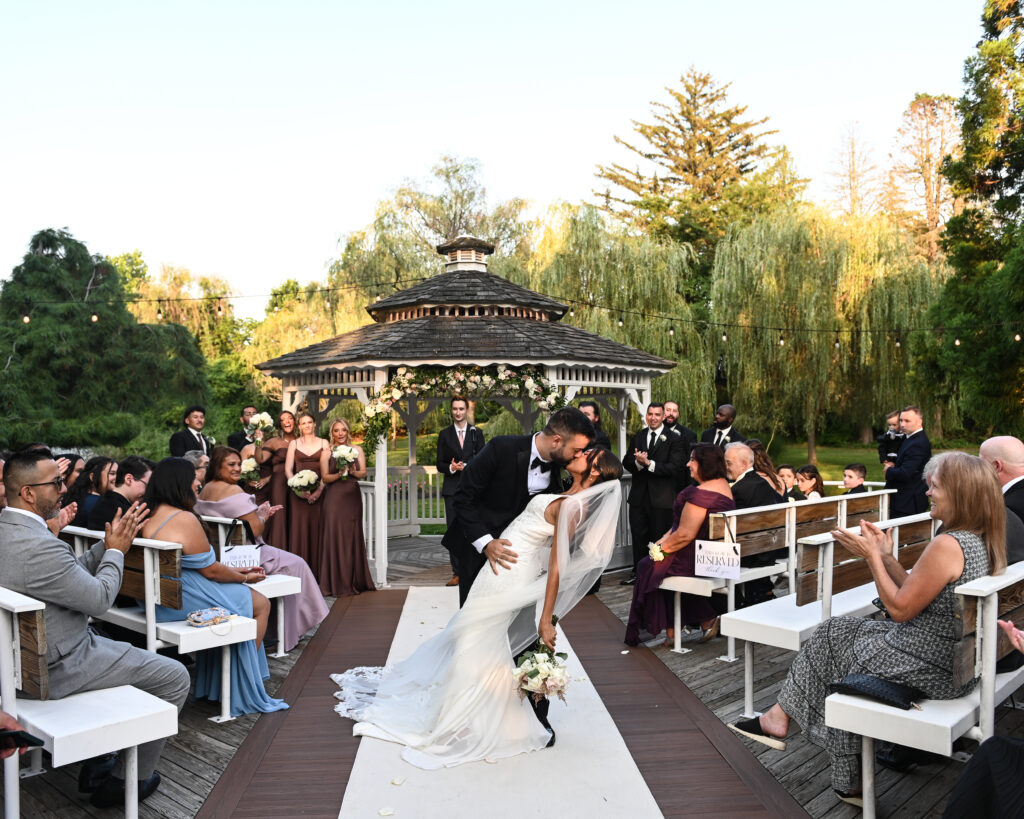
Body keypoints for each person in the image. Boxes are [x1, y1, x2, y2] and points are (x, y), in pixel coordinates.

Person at [728, 452, 1007, 806]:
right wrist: (888, 556)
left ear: (960, 493)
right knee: (838, 632)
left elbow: (901, 609)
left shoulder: (948, 544)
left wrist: (871, 556)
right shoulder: (978, 539)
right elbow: (919, 593)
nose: (928, 493)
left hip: (929, 665)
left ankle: (793, 732)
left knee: (835, 644)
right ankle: (788, 727)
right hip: (949, 659)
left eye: (935, 487)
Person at [332, 448, 623, 769]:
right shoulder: (567, 494)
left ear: (594, 471)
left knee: (476, 637)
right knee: (473, 634)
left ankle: (461, 718)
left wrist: (545, 619)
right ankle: (463, 710)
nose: (578, 453)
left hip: (512, 576)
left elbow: (557, 565)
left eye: (587, 454)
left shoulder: (574, 507)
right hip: (500, 569)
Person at [0, 451, 190, 808]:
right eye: (55, 483)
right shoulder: (39, 546)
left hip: (20, 666)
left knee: (122, 649)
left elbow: (66, 576)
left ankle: (103, 756)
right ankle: (126, 781)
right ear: (27, 493)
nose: (63, 489)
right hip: (59, 665)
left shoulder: (10, 533)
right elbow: (100, 598)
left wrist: (106, 543)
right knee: (175, 676)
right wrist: (117, 552)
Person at [141, 458, 289, 716]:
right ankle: (241, 680)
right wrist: (243, 578)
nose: (198, 482)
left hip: (160, 597)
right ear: (179, 483)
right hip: (179, 599)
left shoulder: (149, 512)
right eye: (193, 478)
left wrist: (233, 571)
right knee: (261, 603)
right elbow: (210, 570)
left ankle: (220, 683)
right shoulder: (183, 517)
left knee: (243, 596)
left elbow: (201, 566)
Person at [441, 406, 594, 607]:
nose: (578, 455)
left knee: (522, 625)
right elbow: (462, 497)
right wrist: (486, 543)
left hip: (523, 560)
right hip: (476, 550)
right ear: (556, 441)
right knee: (474, 618)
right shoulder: (500, 448)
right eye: (576, 450)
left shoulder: (563, 466)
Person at [195, 446, 329, 650]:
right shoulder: (234, 491)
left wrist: (255, 513)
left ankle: (275, 629)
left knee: (291, 562)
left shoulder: (205, 490)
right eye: (231, 464)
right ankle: (289, 632)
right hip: (245, 555)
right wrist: (262, 516)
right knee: (297, 564)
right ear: (217, 466)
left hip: (220, 552)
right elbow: (255, 529)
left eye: (239, 464)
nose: (237, 468)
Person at [624, 443, 735, 645]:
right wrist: (664, 540)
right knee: (659, 568)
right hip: (711, 551)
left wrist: (658, 551)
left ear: (705, 464)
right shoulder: (723, 485)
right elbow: (680, 528)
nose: (688, 464)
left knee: (648, 567)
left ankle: (674, 628)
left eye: (692, 459)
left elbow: (684, 534)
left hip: (698, 556)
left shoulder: (701, 494)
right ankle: (700, 620)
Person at [621, 403, 686, 585]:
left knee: (659, 538)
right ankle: (638, 573)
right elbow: (627, 461)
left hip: (662, 498)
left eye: (657, 414)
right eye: (650, 414)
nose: (653, 418)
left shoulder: (675, 439)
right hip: (639, 497)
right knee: (639, 536)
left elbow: (675, 468)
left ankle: (659, 573)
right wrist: (639, 463)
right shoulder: (639, 436)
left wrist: (649, 464)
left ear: (663, 416)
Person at [319, 419, 376, 596]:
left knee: (352, 536)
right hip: (334, 499)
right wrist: (339, 474)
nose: (340, 433)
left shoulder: (357, 450)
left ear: (348, 431)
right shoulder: (326, 452)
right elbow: (325, 478)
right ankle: (335, 582)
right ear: (332, 433)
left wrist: (351, 472)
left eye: (343, 430)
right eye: (336, 430)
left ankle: (354, 580)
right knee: (335, 536)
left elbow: (363, 473)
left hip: (352, 498)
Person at [435, 397, 486, 586]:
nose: (458, 412)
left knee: (473, 527)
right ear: (452, 411)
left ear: (466, 410)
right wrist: (452, 467)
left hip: (472, 489)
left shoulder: (476, 433)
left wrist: (469, 466)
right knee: (453, 530)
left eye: (461, 409)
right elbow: (439, 463)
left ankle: (474, 569)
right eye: (455, 409)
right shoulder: (444, 434)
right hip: (451, 490)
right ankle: (456, 572)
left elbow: (484, 459)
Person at [284, 412, 329, 569]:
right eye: (303, 423)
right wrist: (297, 489)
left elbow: (327, 470)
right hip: (298, 495)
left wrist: (318, 491)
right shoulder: (294, 444)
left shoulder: (324, 443)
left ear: (315, 424)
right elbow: (288, 470)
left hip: (320, 493)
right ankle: (300, 569)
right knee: (300, 529)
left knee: (319, 528)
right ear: (299, 426)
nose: (307, 425)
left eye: (309, 422)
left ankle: (318, 570)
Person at [255, 410, 298, 548]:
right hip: (280, 484)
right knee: (280, 515)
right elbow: (260, 459)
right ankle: (278, 549)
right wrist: (258, 442)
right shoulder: (274, 442)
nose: (287, 421)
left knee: (296, 516)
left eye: (290, 418)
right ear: (280, 425)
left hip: (300, 483)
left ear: (294, 421)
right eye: (283, 419)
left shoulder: (302, 441)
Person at [883, 405, 931, 517]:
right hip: (904, 500)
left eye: (907, 421)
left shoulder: (918, 443)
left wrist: (888, 470)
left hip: (908, 503)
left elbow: (905, 473)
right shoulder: (910, 438)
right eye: (901, 420)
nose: (902, 424)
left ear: (920, 421)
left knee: (900, 534)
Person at [87, 455, 154, 529]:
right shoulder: (125, 512)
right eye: (147, 486)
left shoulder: (103, 502)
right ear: (129, 479)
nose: (149, 491)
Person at [67, 456, 117, 527]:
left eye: (118, 474)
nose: (117, 478)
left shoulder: (74, 497)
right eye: (112, 473)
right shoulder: (100, 503)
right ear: (92, 477)